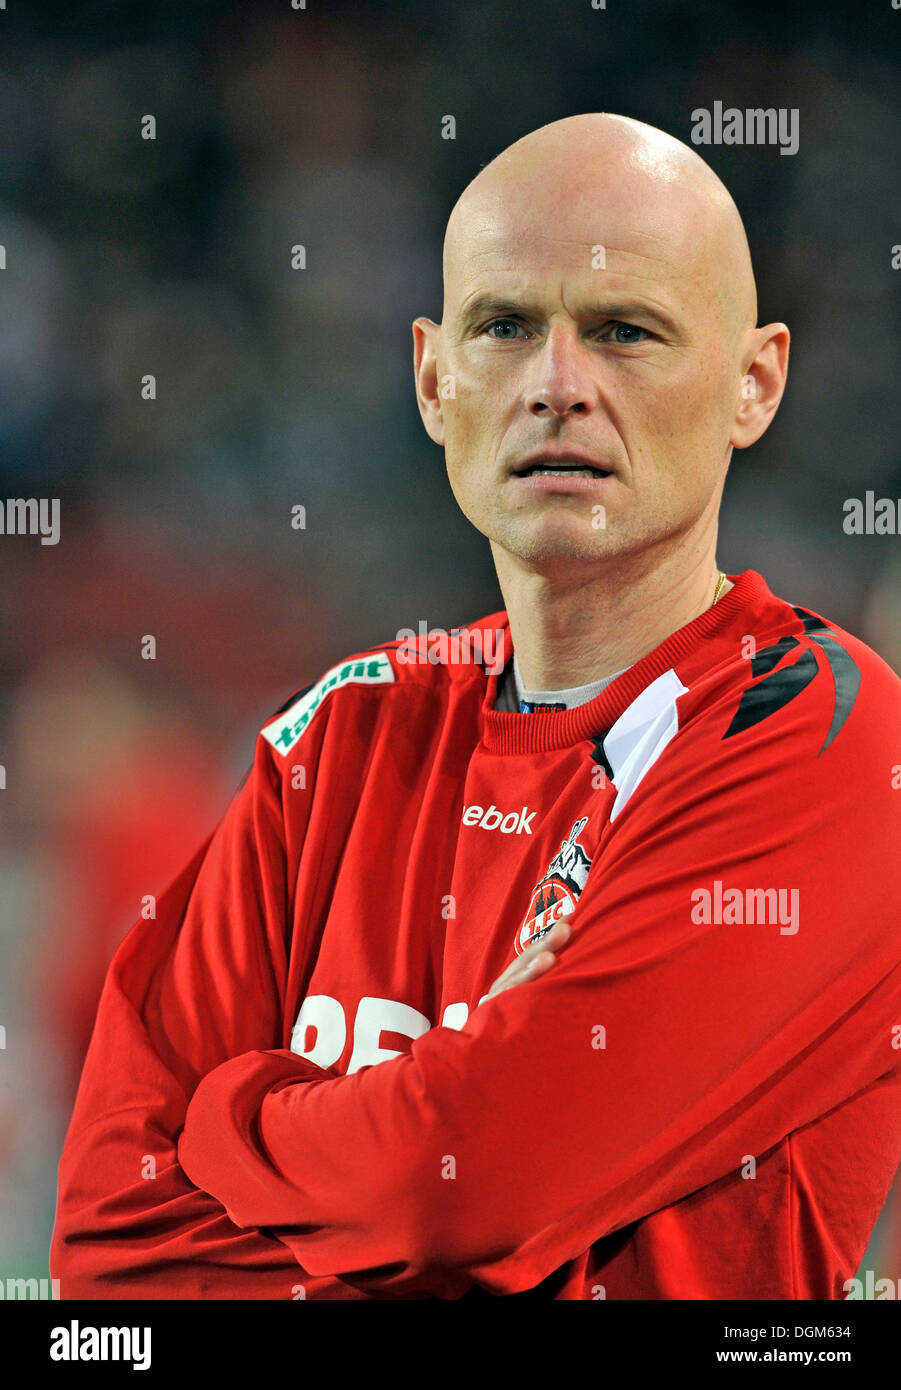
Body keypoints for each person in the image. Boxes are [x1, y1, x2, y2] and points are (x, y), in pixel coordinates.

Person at [51, 113, 901, 1300]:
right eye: (506, 326)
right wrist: (432, 1104)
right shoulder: (333, 738)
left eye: (623, 330)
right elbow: (110, 1254)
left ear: (754, 382)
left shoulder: (829, 745)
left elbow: (459, 1181)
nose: (559, 386)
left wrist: (236, 1118)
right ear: (433, 379)